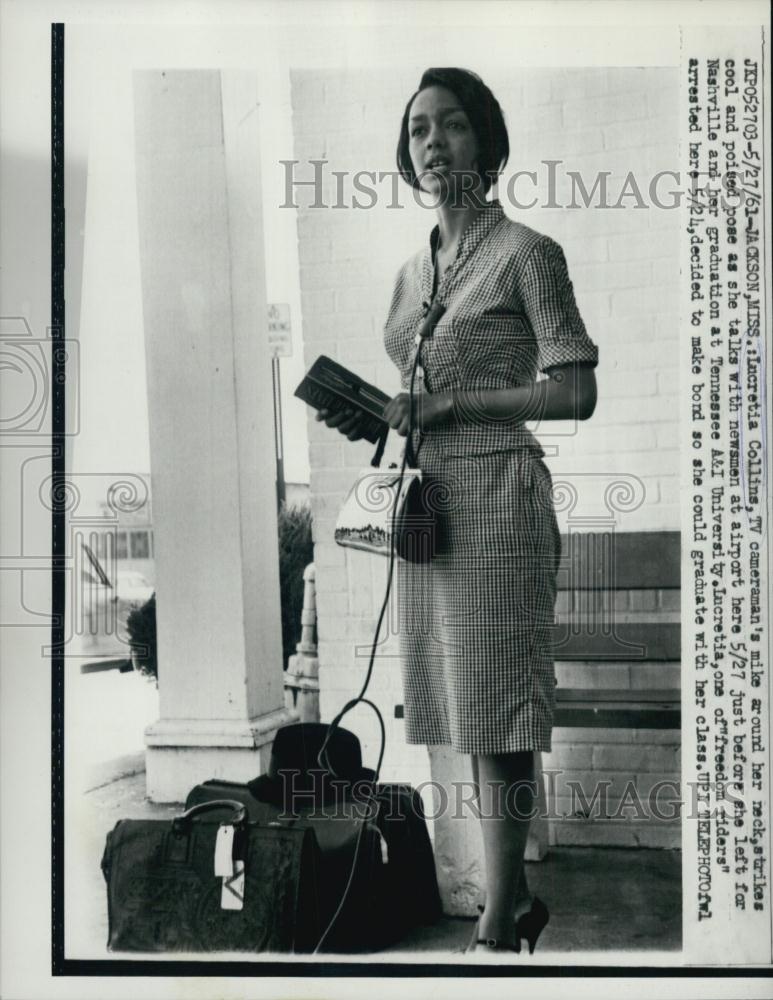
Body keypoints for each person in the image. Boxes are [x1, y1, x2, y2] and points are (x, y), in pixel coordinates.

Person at [316, 67, 598, 953]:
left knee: (499, 713)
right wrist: (379, 410)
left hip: (498, 495)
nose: (433, 144)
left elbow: (575, 392)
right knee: (460, 710)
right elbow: (420, 386)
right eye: (416, 132)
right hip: (430, 505)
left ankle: (496, 924)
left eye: (453, 126)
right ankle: (509, 904)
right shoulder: (411, 272)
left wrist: (449, 408)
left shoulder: (527, 252)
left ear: (488, 140)